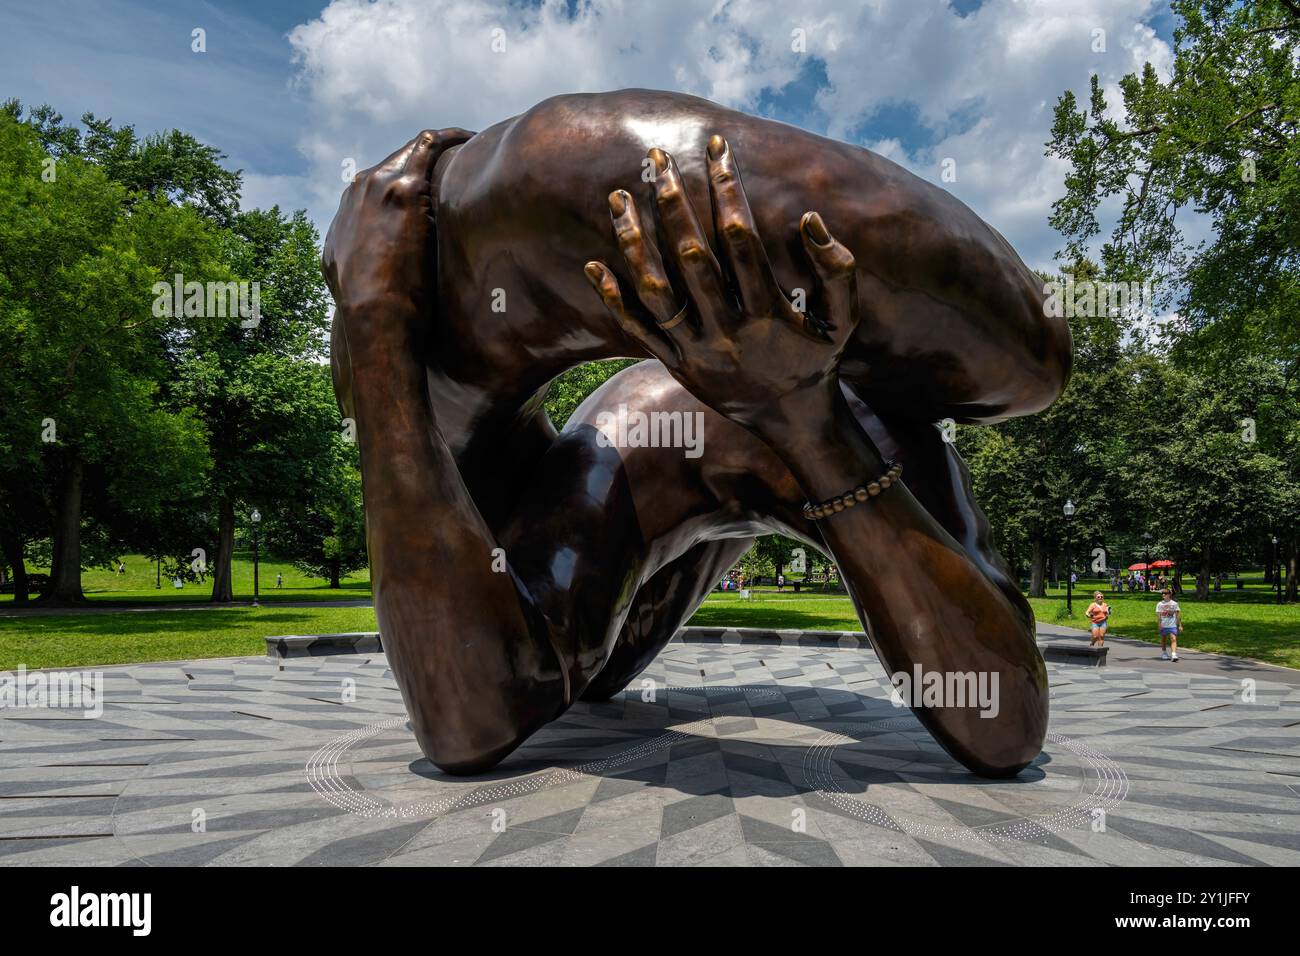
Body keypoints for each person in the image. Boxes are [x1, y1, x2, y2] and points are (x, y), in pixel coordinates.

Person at [322, 97, 1069, 778]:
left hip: (809, 435)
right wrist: (377, 324)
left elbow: (1006, 731)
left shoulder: (890, 440)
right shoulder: (627, 441)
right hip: (650, 458)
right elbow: (464, 728)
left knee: (580, 655)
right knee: (588, 670)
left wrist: (801, 419)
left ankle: (771, 465)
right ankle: (607, 594)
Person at [1155, 588, 1182, 661]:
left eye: (1165, 593)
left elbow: (1178, 615)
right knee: (1163, 639)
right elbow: (1158, 616)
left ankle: (1174, 654)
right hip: (1163, 625)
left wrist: (1180, 625)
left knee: (1173, 638)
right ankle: (1164, 653)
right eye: (1162, 593)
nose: (1163, 595)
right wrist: (1159, 625)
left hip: (1172, 625)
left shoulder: (1174, 603)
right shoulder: (1160, 604)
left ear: (1169, 594)